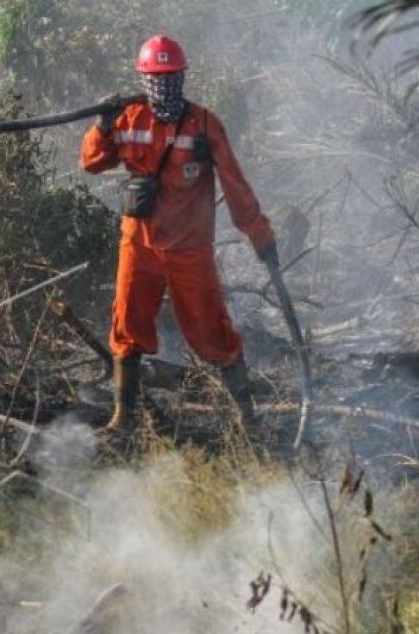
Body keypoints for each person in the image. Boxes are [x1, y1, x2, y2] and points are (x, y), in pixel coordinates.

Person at [81, 34, 278, 433]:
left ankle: (248, 419)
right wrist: (102, 125)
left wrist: (260, 237)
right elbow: (92, 163)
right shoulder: (127, 118)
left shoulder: (204, 125)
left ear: (183, 77)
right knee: (127, 327)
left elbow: (235, 186)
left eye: (171, 77)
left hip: (190, 249)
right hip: (139, 243)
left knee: (213, 333)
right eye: (156, 77)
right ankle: (123, 418)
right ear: (143, 78)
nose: (164, 85)